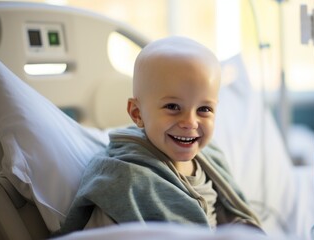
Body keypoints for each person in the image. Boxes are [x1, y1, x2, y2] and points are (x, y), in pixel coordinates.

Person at [58, 36, 262, 235]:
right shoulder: (123, 180)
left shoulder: (210, 157)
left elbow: (228, 215)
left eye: (204, 109)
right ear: (137, 113)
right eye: (173, 107)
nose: (190, 122)